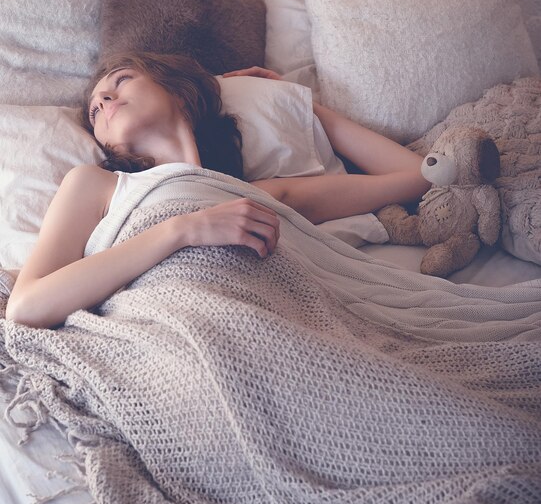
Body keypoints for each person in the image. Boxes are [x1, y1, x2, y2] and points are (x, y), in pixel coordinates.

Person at [6, 52, 429, 329]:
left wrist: (302, 105)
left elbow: (417, 176)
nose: (104, 102)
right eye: (95, 110)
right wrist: (183, 231)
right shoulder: (98, 185)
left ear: (176, 89)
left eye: (121, 81)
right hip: (179, 328)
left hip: (275, 321)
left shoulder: (250, 197)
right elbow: (26, 307)